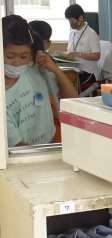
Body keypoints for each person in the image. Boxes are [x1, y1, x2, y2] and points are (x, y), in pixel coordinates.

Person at [3, 15, 77, 147]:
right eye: (10, 56)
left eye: (23, 56)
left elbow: (73, 99)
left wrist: (55, 69)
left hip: (48, 142)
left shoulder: (34, 72)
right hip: (22, 152)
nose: (17, 62)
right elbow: (18, 145)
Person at [64, 3, 100, 90]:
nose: (70, 23)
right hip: (74, 70)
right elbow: (70, 51)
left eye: (72, 20)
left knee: (65, 83)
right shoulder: (72, 33)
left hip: (87, 73)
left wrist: (78, 54)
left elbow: (97, 56)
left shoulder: (91, 34)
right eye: (69, 20)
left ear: (80, 18)